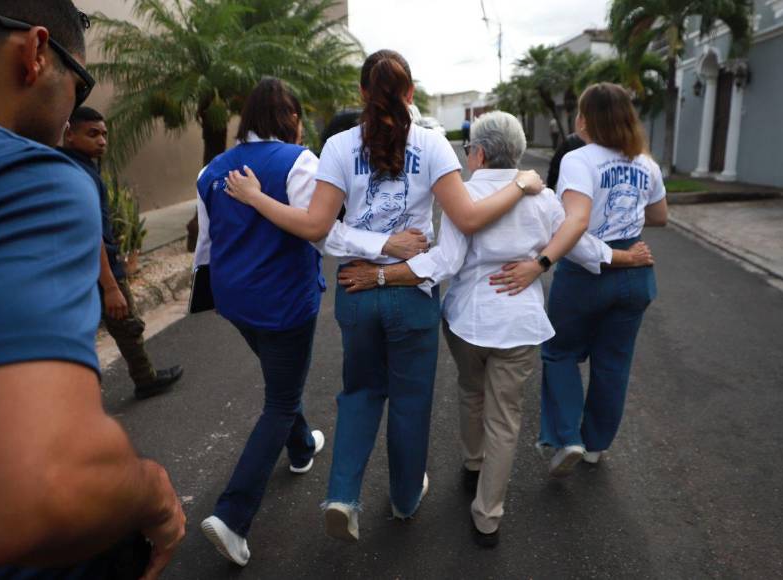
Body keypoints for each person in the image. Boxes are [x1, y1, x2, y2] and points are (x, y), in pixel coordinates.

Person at [223, 49, 545, 543]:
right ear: (411, 94)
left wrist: (256, 197)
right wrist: (522, 183)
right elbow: (470, 219)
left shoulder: (336, 146)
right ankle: (402, 500)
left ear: (362, 95)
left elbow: (316, 227)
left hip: (357, 289)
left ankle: (342, 495)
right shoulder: (435, 145)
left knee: (360, 393)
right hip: (412, 292)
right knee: (412, 402)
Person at [337, 111, 653, 548]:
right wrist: (613, 259)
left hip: (467, 320)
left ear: (479, 153)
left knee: (471, 391)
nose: (467, 156)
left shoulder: (464, 197)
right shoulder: (541, 199)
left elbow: (444, 262)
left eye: (469, 150)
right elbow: (577, 242)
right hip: (520, 322)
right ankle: (488, 516)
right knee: (506, 417)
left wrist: (382, 276)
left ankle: (472, 463)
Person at [0, 1, 185, 579]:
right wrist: (155, 495)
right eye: (81, 80)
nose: (76, 108)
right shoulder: (30, 176)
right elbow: (43, 489)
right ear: (36, 52)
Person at [193, 77, 430, 565]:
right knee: (279, 401)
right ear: (292, 118)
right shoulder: (298, 161)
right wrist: (383, 245)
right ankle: (233, 517)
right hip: (282, 301)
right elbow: (324, 234)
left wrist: (207, 294)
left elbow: (207, 245)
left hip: (234, 301)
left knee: (282, 382)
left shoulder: (210, 170)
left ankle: (301, 447)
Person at [535, 82, 668, 476]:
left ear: (584, 119)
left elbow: (573, 224)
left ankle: (566, 436)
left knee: (559, 352)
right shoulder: (646, 162)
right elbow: (660, 216)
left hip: (586, 273)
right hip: (636, 272)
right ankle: (595, 446)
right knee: (613, 363)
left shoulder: (580, 159)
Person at [59, 106, 184, 400]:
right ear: (69, 134)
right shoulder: (78, 173)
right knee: (123, 324)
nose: (102, 140)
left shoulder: (80, 166)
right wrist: (111, 286)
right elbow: (92, 234)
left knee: (124, 329)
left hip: (90, 270)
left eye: (104, 134)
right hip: (98, 271)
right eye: (92, 134)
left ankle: (144, 378)